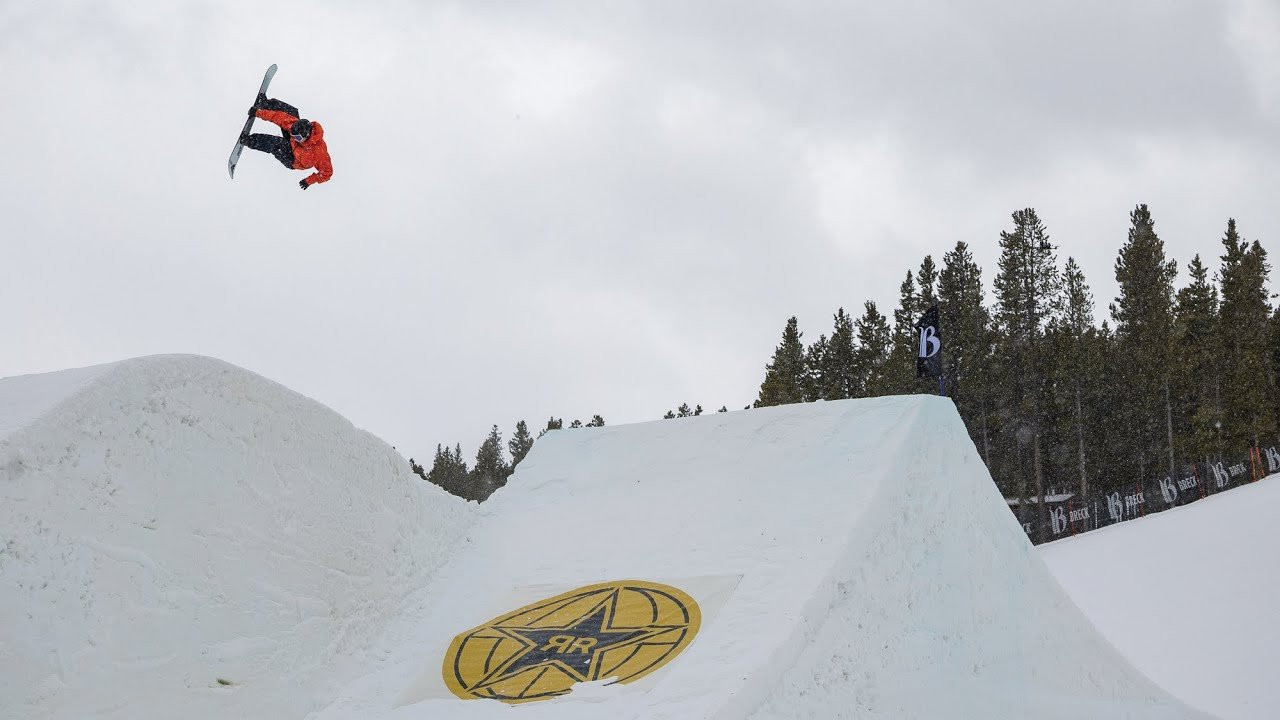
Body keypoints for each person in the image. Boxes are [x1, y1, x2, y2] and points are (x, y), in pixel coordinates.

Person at [240, 95, 333, 189]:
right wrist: (258, 113)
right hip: (294, 144)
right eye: (294, 135)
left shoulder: (319, 153)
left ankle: (249, 140)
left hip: (293, 159)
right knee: (291, 113)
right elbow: (277, 117)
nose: (295, 138)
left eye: (298, 137)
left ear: (307, 135)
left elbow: (327, 173)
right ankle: (265, 104)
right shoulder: (294, 128)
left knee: (277, 143)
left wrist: (309, 181)